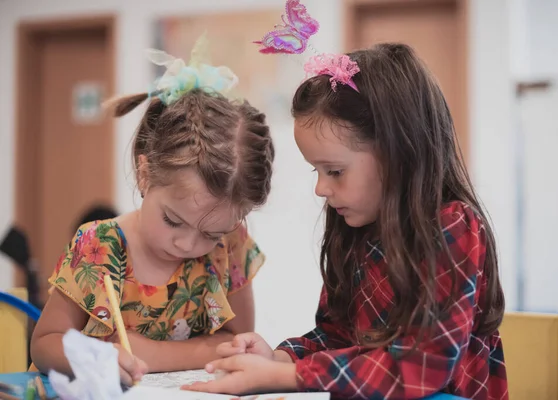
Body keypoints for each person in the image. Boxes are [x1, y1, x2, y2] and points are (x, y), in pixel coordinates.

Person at [182, 44, 508, 399]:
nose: (321, 188)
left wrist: (289, 376)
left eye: (335, 171)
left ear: (398, 152)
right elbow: (335, 336)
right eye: (317, 171)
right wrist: (278, 357)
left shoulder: (450, 226)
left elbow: (422, 366)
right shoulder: (354, 229)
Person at [30, 40, 275, 387]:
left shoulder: (230, 246)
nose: (188, 244)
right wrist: (94, 358)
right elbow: (43, 344)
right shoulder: (98, 245)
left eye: (211, 234)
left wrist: (151, 352)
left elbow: (238, 342)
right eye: (173, 220)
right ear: (145, 174)